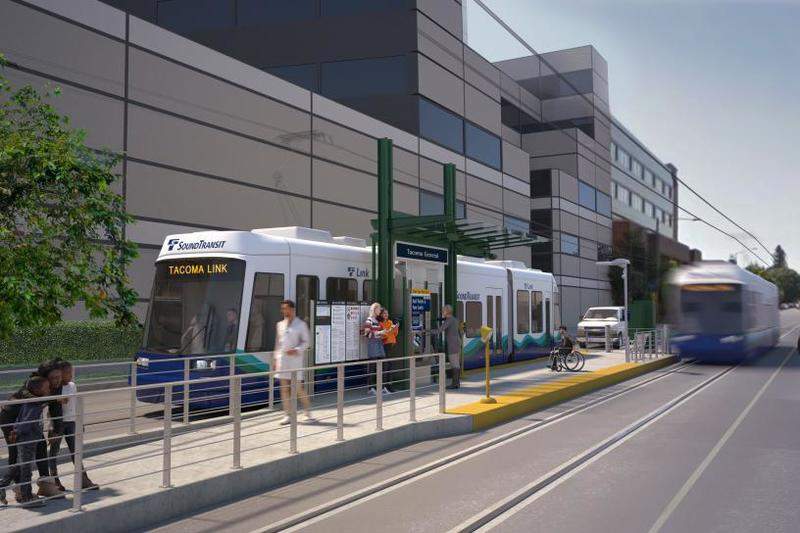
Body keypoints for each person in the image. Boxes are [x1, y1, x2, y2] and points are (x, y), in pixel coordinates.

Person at [47, 361, 99, 493]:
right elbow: (51, 410)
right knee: (53, 452)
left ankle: (83, 480)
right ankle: (55, 481)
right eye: (67, 372)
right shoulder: (54, 388)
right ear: (60, 374)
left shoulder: (72, 385)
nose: (70, 374)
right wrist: (51, 428)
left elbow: (75, 405)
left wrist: (80, 422)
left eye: (71, 371)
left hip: (71, 423)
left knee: (76, 451)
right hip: (57, 424)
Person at [5, 376, 50, 507]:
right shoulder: (33, 405)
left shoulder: (33, 402)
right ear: (37, 390)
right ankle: (27, 498)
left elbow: (20, 419)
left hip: (29, 439)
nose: (49, 390)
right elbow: (25, 423)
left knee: (19, 466)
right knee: (26, 470)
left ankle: (2, 485)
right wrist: (16, 432)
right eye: (46, 388)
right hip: (27, 441)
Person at [274, 300, 313, 425]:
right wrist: (275, 359)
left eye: (285, 308)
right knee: (284, 389)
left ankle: (307, 412)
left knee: (297, 388)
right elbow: (278, 343)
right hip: (282, 360)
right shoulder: (280, 324)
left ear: (292, 309)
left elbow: (306, 342)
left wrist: (296, 350)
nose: (283, 311)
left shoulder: (301, 324)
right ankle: (287, 415)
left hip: (295, 360)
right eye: (282, 308)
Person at [0, 377, 38, 505]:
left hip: (20, 427)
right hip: (16, 426)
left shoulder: (38, 390)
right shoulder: (36, 390)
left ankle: (13, 488)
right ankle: (21, 492)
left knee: (21, 461)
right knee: (20, 460)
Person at [436, 305, 463, 390]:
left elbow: (439, 330)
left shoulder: (448, 320)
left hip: (452, 345)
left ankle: (454, 384)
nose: (442, 312)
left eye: (443, 311)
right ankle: (457, 383)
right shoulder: (455, 320)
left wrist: (426, 331)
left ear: (447, 312)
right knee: (457, 364)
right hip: (457, 343)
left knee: (454, 364)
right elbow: (460, 332)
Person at [364, 303, 387, 395]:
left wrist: (384, 333)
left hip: (379, 345)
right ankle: (371, 388)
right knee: (372, 367)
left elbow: (378, 333)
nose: (380, 311)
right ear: (374, 310)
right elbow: (366, 334)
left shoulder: (377, 321)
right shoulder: (369, 320)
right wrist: (379, 333)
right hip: (373, 346)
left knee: (382, 366)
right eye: (379, 309)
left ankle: (381, 387)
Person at [379, 308, 399, 394]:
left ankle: (389, 385)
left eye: (387, 313)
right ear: (381, 314)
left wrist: (396, 328)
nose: (386, 315)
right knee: (386, 365)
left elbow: (395, 334)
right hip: (384, 345)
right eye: (384, 313)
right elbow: (383, 336)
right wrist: (390, 331)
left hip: (391, 345)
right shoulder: (380, 324)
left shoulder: (390, 322)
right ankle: (384, 386)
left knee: (390, 365)